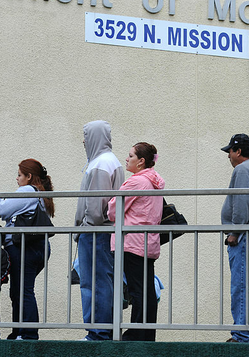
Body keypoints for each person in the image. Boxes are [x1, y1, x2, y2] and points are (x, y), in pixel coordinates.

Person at [108, 142, 165, 341]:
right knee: (147, 289)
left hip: (132, 242)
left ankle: (136, 333)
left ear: (141, 161)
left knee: (137, 289)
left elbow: (113, 210)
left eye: (130, 155)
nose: (126, 159)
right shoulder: (154, 181)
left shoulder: (136, 182)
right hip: (148, 242)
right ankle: (146, 333)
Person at [74, 120, 124, 340]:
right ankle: (106, 330)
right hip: (107, 231)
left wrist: (84, 227)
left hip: (96, 232)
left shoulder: (99, 164)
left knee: (93, 283)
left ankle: (98, 332)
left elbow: (94, 208)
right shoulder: (111, 161)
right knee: (105, 281)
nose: (83, 140)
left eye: (85, 135)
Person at [0, 159, 55, 340]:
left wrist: (1, 200)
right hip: (36, 247)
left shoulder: (28, 190)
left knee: (23, 289)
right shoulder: (41, 194)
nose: (17, 178)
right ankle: (18, 330)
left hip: (24, 247)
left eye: (20, 175)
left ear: (29, 177)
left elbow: (2, 210)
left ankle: (28, 333)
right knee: (19, 289)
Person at [220, 134, 249, 343]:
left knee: (241, 285)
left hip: (244, 237)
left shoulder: (243, 170)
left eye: (230, 151)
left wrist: (234, 233)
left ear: (238, 151)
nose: (228, 156)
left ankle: (242, 334)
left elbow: (241, 203)